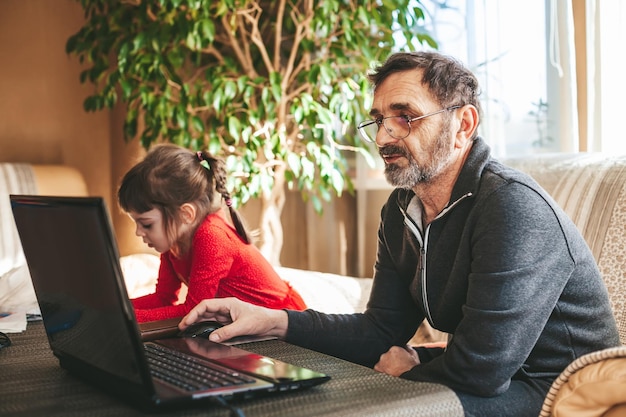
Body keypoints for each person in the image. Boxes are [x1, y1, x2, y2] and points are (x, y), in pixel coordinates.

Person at [178, 51, 620, 416]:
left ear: (463, 125)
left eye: (405, 117)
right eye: (379, 119)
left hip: (561, 389)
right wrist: (275, 320)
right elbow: (381, 329)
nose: (385, 136)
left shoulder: (512, 207)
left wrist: (408, 367)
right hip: (490, 374)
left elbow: (482, 370)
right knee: (294, 397)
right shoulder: (400, 210)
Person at [118, 143, 307, 323]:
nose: (138, 232)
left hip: (281, 321)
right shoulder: (174, 240)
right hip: (245, 327)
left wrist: (123, 319)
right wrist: (116, 311)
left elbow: (194, 312)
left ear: (186, 214)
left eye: (147, 224)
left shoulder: (212, 236)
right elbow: (163, 298)